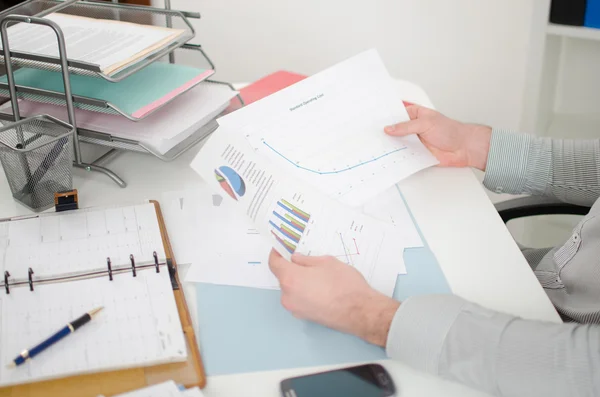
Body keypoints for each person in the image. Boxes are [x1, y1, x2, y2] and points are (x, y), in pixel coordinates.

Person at [268, 104, 600, 397]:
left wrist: (366, 315)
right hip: (545, 280)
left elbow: (583, 371)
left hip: (541, 352)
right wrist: (473, 144)